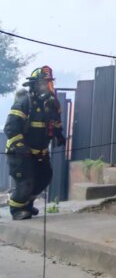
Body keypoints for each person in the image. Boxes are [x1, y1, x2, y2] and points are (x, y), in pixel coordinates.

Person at [5, 65, 65, 220]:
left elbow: (55, 122)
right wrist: (21, 148)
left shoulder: (51, 105)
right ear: (34, 85)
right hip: (20, 152)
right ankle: (16, 210)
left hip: (40, 152)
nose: (46, 87)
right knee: (26, 180)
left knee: (44, 177)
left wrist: (59, 135)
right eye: (43, 83)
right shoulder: (25, 103)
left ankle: (26, 206)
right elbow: (11, 128)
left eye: (48, 83)